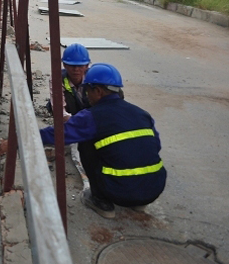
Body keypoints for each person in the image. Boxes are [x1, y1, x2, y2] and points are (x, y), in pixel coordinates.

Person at [40, 63, 167, 219]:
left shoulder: (92, 116)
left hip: (116, 191)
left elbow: (58, 134)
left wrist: (19, 139)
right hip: (153, 189)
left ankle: (100, 200)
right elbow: (156, 146)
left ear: (98, 91)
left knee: (85, 142)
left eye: (87, 91)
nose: (86, 96)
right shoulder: (141, 113)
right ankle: (138, 202)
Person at [48, 43, 91, 123]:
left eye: (80, 66)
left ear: (87, 66)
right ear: (65, 65)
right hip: (71, 114)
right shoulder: (57, 78)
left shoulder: (93, 77)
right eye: (72, 66)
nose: (76, 69)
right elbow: (59, 111)